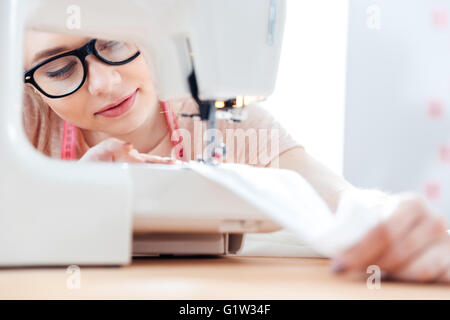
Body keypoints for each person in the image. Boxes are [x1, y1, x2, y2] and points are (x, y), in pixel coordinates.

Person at [23, 31, 450, 283]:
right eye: (58, 71)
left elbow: (331, 194)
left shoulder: (232, 124)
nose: (104, 81)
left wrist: (387, 220)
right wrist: (66, 202)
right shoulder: (23, 123)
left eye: (115, 43)